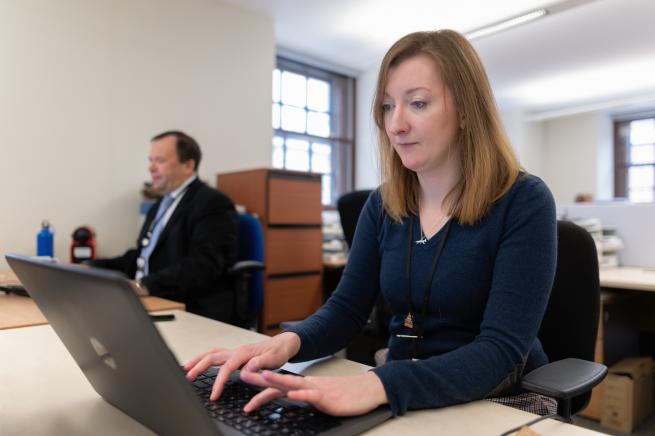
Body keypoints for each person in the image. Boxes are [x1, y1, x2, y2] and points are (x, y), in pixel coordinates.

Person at [185, 30, 557, 417]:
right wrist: (286, 344)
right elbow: (346, 309)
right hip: (402, 390)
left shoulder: (522, 201)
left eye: (417, 103)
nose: (395, 125)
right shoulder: (383, 204)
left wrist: (376, 384)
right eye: (386, 106)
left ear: (466, 110)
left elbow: (500, 350)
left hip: (496, 402)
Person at [90, 131, 239, 322]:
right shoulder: (159, 206)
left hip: (188, 309)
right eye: (150, 160)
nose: (150, 167)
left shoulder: (212, 202)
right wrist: (92, 267)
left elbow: (204, 265)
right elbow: (142, 256)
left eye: (159, 160)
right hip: (153, 300)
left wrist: (143, 285)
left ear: (188, 165)